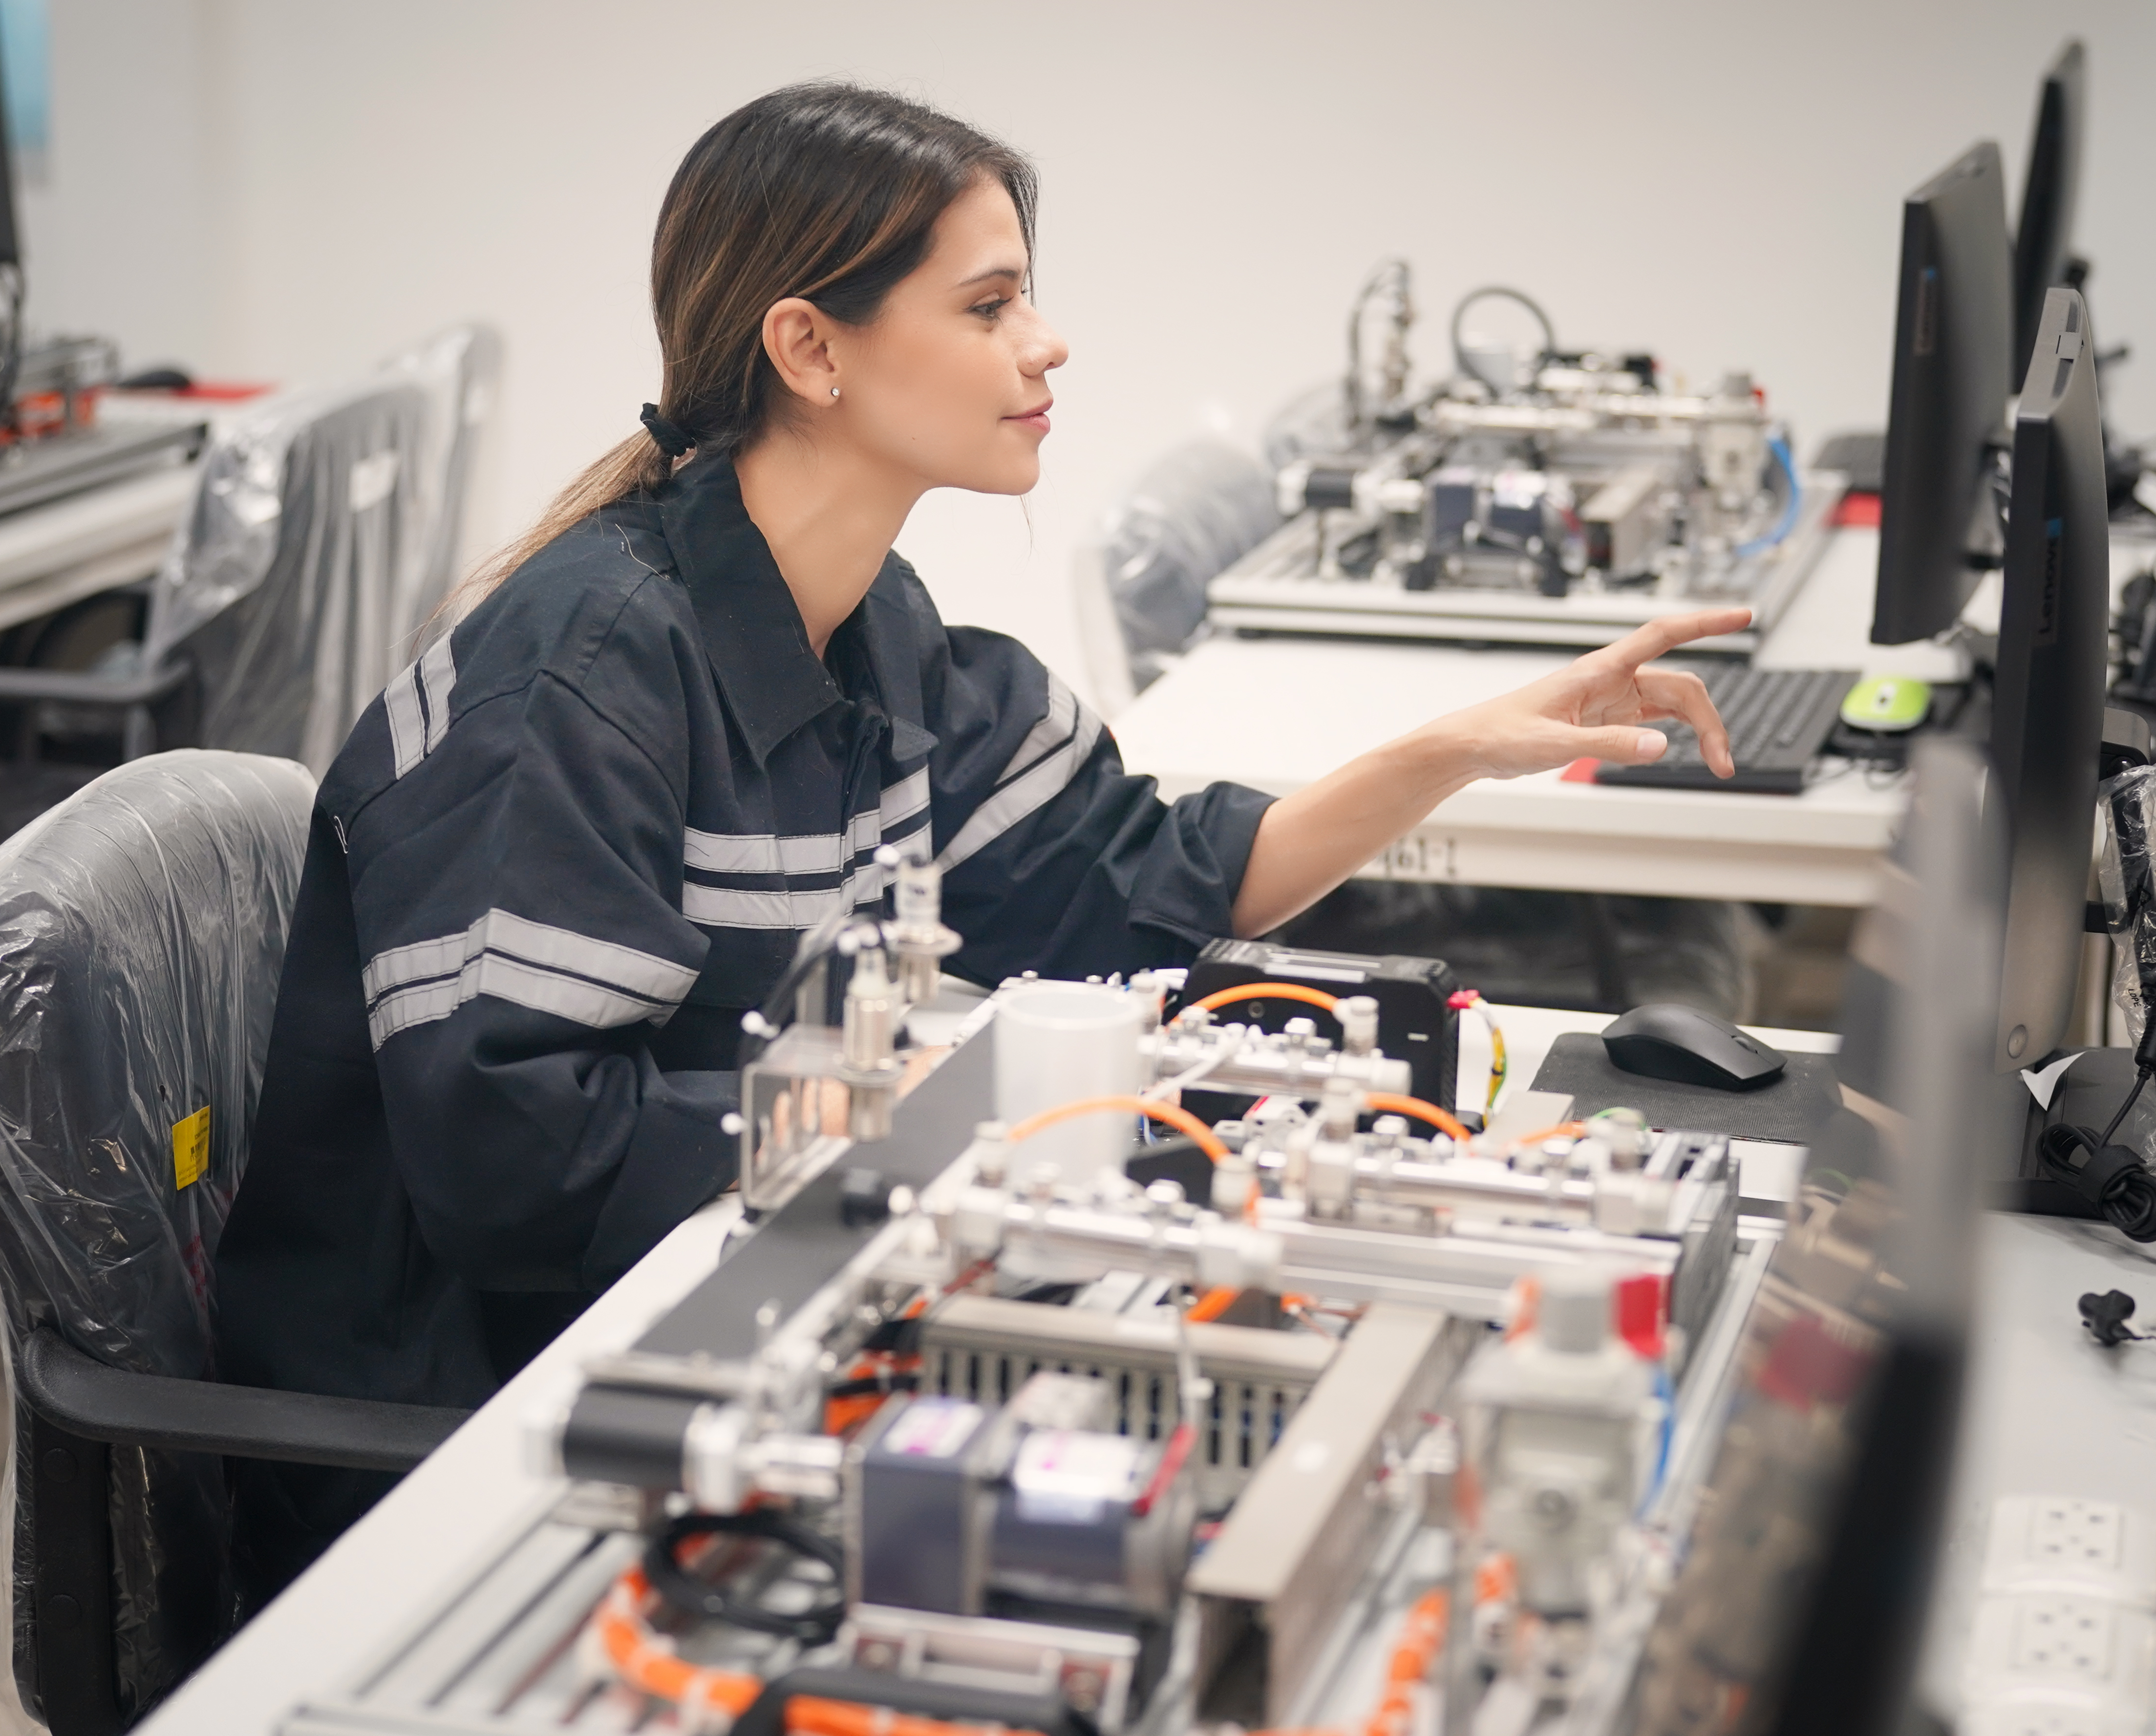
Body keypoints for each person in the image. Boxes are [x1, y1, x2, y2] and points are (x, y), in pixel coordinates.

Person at [213, 83, 1745, 1594]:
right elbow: (515, 1163)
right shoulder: (588, 672)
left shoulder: (872, 633)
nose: (1047, 340)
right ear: (810, 347)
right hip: (463, 1437)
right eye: (991, 302)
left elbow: (1139, 877)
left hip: (708, 1324)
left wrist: (1456, 751)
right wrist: (914, 1117)